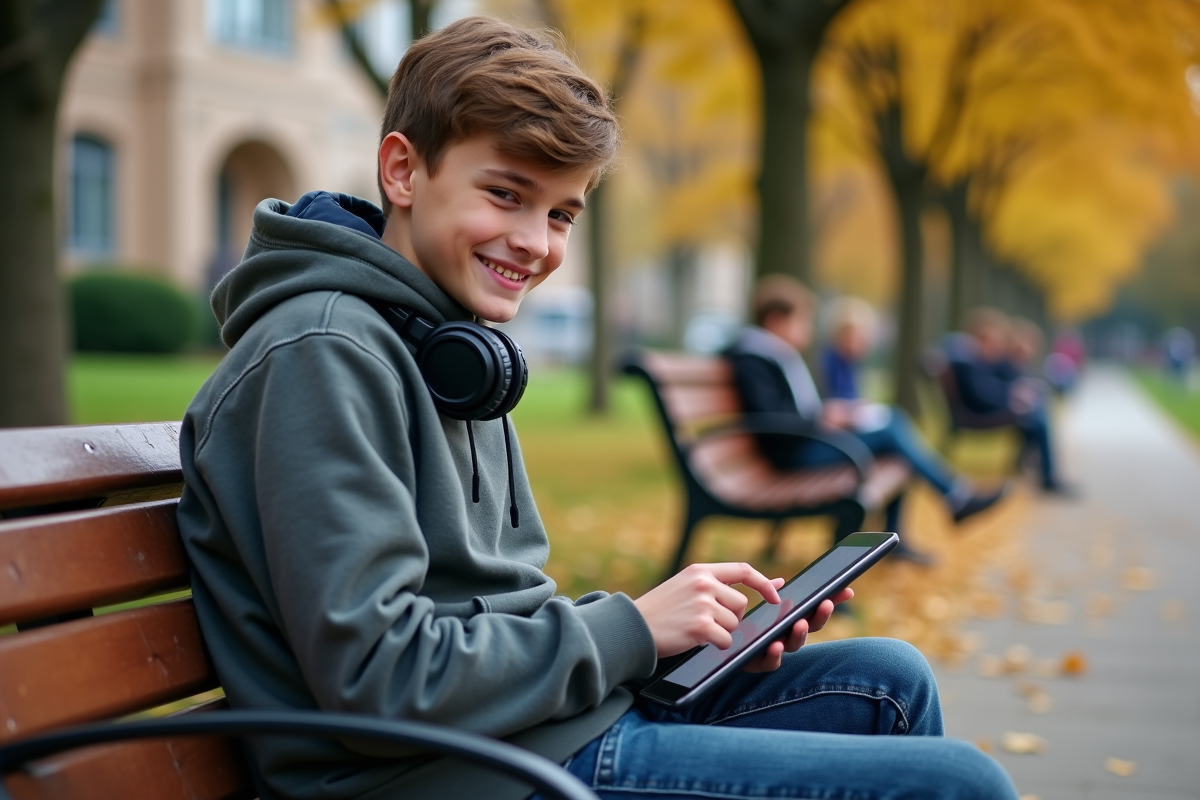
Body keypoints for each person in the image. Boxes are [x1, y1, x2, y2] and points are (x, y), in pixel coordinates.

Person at [176, 18, 1018, 800]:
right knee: (958, 786)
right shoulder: (324, 355)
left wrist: (681, 637)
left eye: (561, 213)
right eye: (505, 194)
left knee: (887, 682)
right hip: (448, 775)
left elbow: (489, 610)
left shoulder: (447, 347)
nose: (535, 243)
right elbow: (379, 676)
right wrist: (634, 631)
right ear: (403, 169)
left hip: (527, 735)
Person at [728, 276, 1008, 567]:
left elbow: (785, 411)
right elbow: (773, 420)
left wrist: (828, 414)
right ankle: (955, 496)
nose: (808, 331)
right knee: (892, 429)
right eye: (802, 321)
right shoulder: (754, 359)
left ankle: (928, 515)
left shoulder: (771, 355)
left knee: (895, 444)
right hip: (792, 453)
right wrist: (822, 419)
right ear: (776, 321)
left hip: (804, 442)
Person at [950, 308, 1073, 494]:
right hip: (978, 414)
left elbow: (991, 387)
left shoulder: (976, 360)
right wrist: (1012, 399)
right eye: (992, 342)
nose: (996, 347)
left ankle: (1033, 468)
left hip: (984, 408)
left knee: (1036, 413)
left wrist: (1015, 395)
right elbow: (982, 396)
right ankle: (1045, 476)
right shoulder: (970, 362)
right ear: (980, 339)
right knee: (1037, 419)